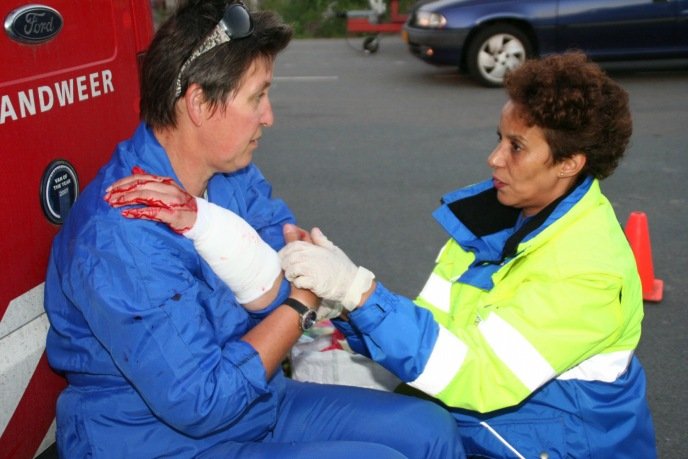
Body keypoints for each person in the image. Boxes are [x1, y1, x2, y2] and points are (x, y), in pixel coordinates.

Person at [44, 1, 465, 458]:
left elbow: (289, 257)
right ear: (201, 103)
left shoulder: (229, 174)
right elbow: (202, 399)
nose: (269, 116)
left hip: (257, 402)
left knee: (429, 430)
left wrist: (293, 286)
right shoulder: (124, 231)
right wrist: (302, 302)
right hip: (159, 440)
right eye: (256, 97)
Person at [279, 52, 658, 458]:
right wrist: (347, 309)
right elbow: (436, 337)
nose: (494, 158)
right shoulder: (493, 223)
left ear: (568, 163)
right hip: (496, 427)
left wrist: (360, 292)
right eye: (499, 138)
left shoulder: (591, 270)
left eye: (516, 147)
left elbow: (480, 375)